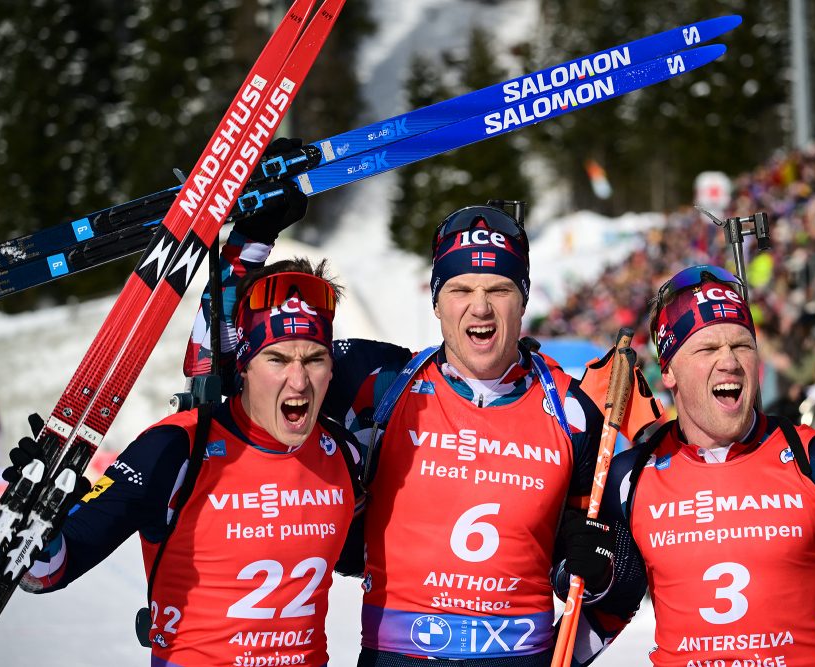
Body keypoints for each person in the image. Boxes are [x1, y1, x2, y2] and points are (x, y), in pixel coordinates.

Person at [186, 190, 617, 666]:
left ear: (523, 300)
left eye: (498, 289)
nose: (480, 308)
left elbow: (624, 571)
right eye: (460, 290)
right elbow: (222, 366)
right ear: (436, 302)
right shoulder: (379, 380)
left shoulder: (572, 412)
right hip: (395, 655)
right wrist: (252, 241)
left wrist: (573, 635)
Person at [3, 258, 363, 667]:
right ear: (243, 366)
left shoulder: (341, 452)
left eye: (314, 359)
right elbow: (51, 569)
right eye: (277, 360)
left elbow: (365, 556)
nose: (298, 381)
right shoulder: (178, 447)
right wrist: (35, 525)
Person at [577, 265, 815, 666]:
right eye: (708, 348)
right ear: (670, 370)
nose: (729, 361)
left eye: (742, 346)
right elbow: (602, 613)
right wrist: (579, 575)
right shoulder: (631, 476)